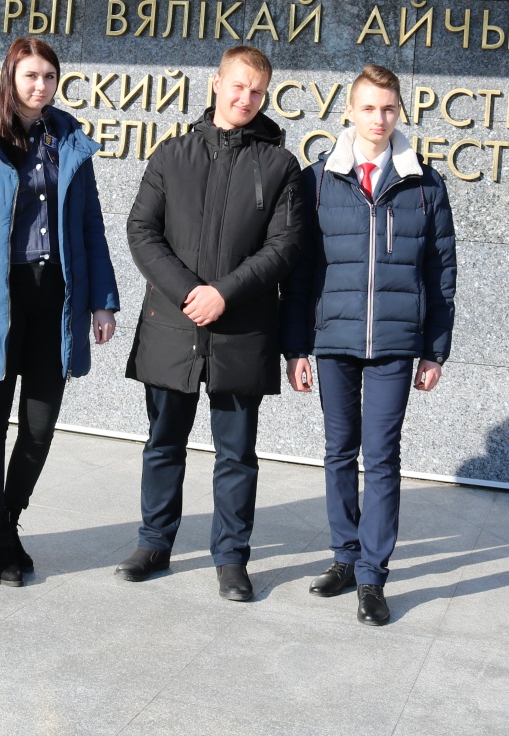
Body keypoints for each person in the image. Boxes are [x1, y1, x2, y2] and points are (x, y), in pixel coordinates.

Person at [117, 44, 302, 602]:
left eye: (257, 91)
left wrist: (224, 293)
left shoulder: (279, 166)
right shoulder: (172, 155)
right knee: (163, 442)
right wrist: (189, 293)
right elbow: (141, 231)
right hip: (172, 326)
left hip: (242, 330)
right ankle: (154, 543)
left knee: (237, 453)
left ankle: (231, 558)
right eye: (238, 85)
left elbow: (284, 247)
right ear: (217, 83)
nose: (246, 98)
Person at [282, 64, 458, 626]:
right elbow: (299, 274)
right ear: (349, 113)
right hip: (333, 339)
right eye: (368, 108)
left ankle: (372, 577)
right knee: (339, 450)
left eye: (388, 109)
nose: (379, 119)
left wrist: (434, 349)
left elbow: (441, 273)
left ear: (399, 112)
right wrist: (296, 348)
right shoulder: (317, 181)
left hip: (395, 344)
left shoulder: (425, 184)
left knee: (381, 456)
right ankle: (344, 556)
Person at [0, 36, 120, 585]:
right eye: (30, 75)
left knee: (40, 425)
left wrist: (102, 301)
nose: (40, 85)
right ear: (10, 77)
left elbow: (91, 225)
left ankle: (8, 519)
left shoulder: (69, 141)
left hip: (56, 298)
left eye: (49, 76)